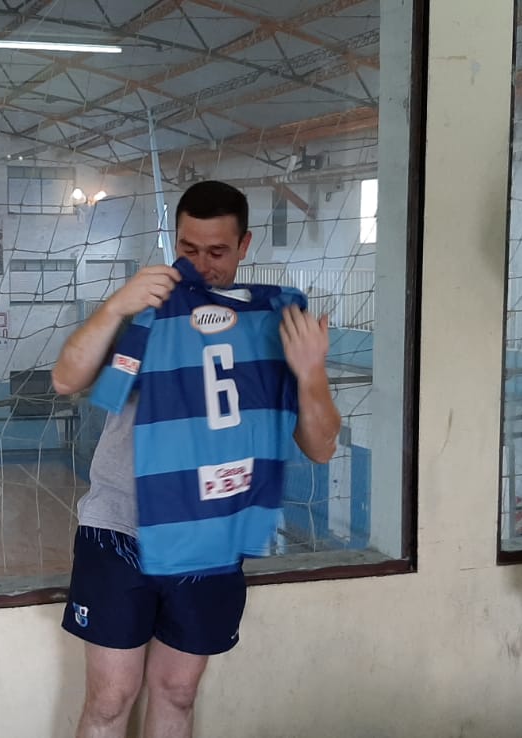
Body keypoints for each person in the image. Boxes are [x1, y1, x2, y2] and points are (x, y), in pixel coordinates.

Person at [51, 180, 340, 738]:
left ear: (244, 246)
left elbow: (321, 446)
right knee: (110, 699)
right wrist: (118, 304)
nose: (202, 265)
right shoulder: (148, 308)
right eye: (189, 249)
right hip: (120, 528)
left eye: (217, 252)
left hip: (211, 537)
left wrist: (310, 373)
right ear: (174, 241)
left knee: (178, 694)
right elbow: (66, 379)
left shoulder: (274, 326)